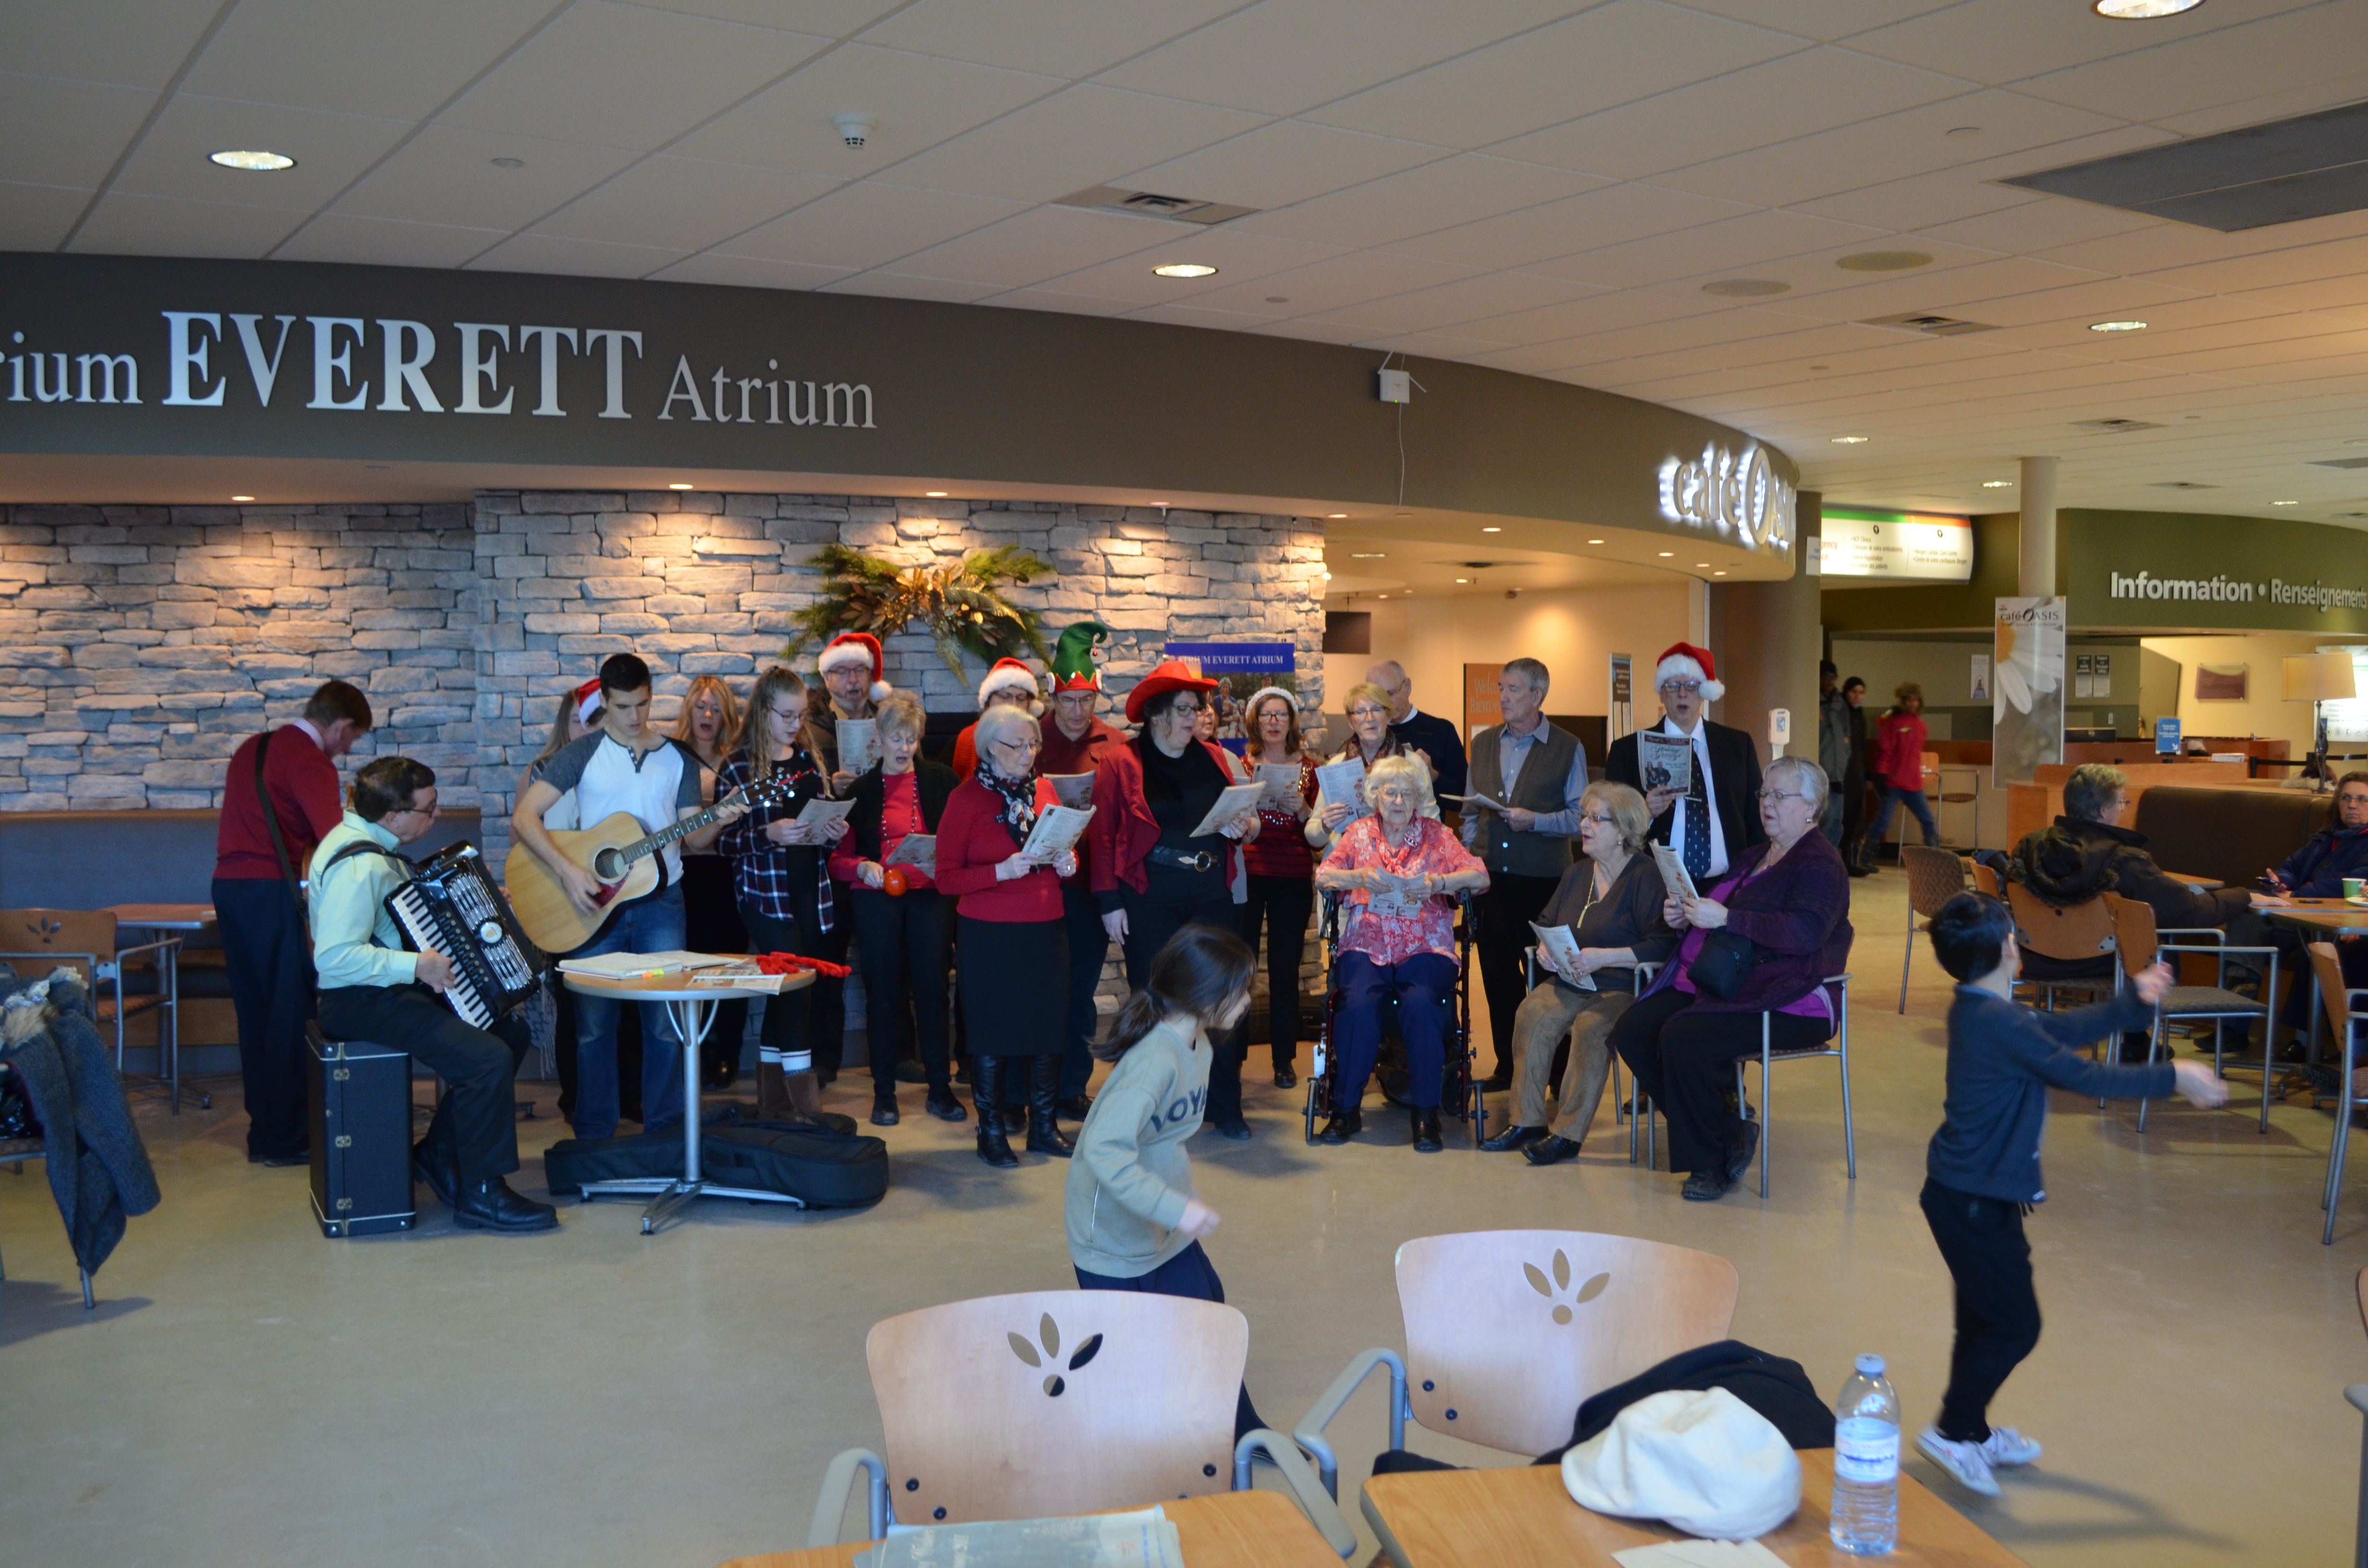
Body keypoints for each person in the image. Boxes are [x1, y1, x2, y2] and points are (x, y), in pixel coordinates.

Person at [1911, 891, 2227, 1496]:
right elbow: (2080, 1073)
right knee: (2014, 1326)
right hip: (1971, 1200)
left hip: (1967, 1194)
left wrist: (2131, 1000)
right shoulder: (1996, 1019)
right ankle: (1951, 1432)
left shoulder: (1981, 1005)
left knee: (1983, 1321)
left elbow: (2058, 1029)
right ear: (2009, 950)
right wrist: (2174, 1076)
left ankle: (1968, 1430)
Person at [310, 757, 556, 1233]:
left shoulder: (376, 848)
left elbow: (409, 915)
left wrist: (480, 902)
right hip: (359, 1001)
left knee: (507, 1031)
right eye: (428, 808)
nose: (436, 815)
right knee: (486, 1059)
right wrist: (417, 966)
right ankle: (482, 1192)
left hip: (383, 991)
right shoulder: (359, 868)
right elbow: (334, 959)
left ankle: (439, 1156)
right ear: (393, 816)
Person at [512, 653, 743, 1143]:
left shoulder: (677, 757)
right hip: (594, 904)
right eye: (621, 707)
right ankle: (595, 1135)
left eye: (641, 705)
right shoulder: (581, 754)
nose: (634, 718)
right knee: (595, 1027)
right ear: (605, 704)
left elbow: (694, 839)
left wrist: (721, 816)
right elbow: (525, 819)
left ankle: (664, 1131)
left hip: (662, 904)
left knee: (664, 1024)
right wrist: (570, 873)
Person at [1610, 755, 1852, 1202]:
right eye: (1765, 793)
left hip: (1791, 997)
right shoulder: (1754, 855)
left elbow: (1804, 934)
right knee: (1633, 1030)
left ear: (1813, 807)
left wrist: (1726, 919)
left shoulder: (1821, 865)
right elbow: (1719, 912)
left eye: (1781, 796)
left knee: (1685, 1037)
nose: (1768, 803)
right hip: (1727, 982)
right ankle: (1729, 1130)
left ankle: (1709, 1164)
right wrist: (1686, 916)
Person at [1065, 921, 1270, 1440]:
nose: (1247, 1000)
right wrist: (1175, 1208)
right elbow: (1103, 1151)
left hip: (1163, 1223)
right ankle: (1059, 1421)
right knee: (1114, 1348)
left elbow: (1161, 1140)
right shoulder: (1153, 1060)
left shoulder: (1197, 1043)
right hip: (1112, 1235)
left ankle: (1241, 1433)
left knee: (1208, 1317)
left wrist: (1177, 1203)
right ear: (1202, 996)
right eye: (1237, 990)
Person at [1089, 659, 1262, 1140]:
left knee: (1223, 997)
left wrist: (1242, 827)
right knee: (1154, 1003)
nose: (1194, 717)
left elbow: (1240, 818)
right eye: (1185, 708)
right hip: (1149, 897)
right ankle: (1149, 1108)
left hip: (1211, 892)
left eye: (1197, 708)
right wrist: (1109, 902)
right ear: (1157, 714)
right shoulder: (1121, 762)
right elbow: (1103, 837)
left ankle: (1224, 1104)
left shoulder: (1212, 757)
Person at [2009, 762, 2275, 1061]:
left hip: (2040, 959)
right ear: (2102, 811)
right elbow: (2187, 912)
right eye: (2122, 802)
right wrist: (2244, 896)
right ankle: (2136, 1040)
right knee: (2154, 941)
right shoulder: (2125, 860)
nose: (2124, 809)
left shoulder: (2028, 849)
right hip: (2106, 964)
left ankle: (2136, 1041)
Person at [212, 679, 373, 1166]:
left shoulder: (252, 749)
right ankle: (290, 1138)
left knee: (256, 1016)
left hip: (230, 888)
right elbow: (334, 839)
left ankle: (265, 1134)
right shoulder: (308, 759)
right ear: (341, 726)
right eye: (352, 739)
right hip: (272, 891)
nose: (347, 751)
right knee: (289, 1014)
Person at [1479, 781, 1675, 1165]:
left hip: (1622, 987)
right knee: (1531, 1012)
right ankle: (1527, 1121)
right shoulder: (1577, 872)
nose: (1584, 825)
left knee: (1590, 1027)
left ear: (1622, 831)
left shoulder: (1645, 876)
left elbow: (1663, 945)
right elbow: (1548, 920)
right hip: (1572, 979)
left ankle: (1568, 1133)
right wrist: (1545, 951)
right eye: (1585, 816)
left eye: (1595, 819)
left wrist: (1606, 957)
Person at [1315, 754, 1492, 1151]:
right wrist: (1358, 877)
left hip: (1425, 945)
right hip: (1367, 942)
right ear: (1375, 796)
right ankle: (1345, 1109)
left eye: (1406, 794)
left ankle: (1426, 1112)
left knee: (1422, 1003)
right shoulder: (1358, 834)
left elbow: (1479, 877)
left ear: (1418, 798)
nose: (1397, 801)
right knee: (1358, 1003)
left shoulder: (1437, 834)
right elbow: (1323, 875)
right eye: (1390, 792)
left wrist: (1438, 883)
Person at [936, 703, 1079, 1166]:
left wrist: (1067, 863)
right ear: (988, 749)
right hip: (990, 933)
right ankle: (991, 1132)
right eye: (1016, 745)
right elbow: (946, 879)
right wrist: (999, 870)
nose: (1027, 753)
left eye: (1033, 743)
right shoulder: (965, 801)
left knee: (1047, 1028)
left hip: (1045, 925)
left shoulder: (1046, 790)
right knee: (992, 1034)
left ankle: (1043, 1128)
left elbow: (1058, 847)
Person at [717, 665, 847, 1121]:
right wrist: (768, 834)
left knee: (791, 989)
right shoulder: (737, 766)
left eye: (802, 716)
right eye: (788, 716)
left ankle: (774, 1105)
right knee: (793, 988)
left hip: (812, 889)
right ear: (764, 712)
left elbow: (822, 830)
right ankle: (803, 1102)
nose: (796, 725)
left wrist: (833, 829)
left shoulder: (809, 760)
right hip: (764, 894)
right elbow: (722, 843)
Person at [830, 695, 963, 1127]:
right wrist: (864, 867)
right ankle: (884, 1093)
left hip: (930, 898)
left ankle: (940, 1089)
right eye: (896, 738)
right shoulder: (862, 791)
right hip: (879, 898)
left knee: (932, 990)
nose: (904, 748)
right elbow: (838, 861)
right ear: (879, 738)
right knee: (883, 994)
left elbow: (961, 841)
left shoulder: (942, 780)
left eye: (911, 739)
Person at [1460, 659, 1585, 1091]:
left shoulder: (1568, 747)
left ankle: (1554, 1075)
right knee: (1497, 977)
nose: (1503, 696)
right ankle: (1508, 1068)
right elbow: (1471, 811)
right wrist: (1469, 860)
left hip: (1546, 885)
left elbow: (1580, 819)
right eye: (1501, 688)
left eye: (1513, 689)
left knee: (1550, 981)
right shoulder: (1483, 743)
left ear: (1538, 696)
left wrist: (1536, 821)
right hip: (1492, 881)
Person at [1038, 622, 1122, 1117]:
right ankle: (1031, 1087)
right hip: (1038, 886)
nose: (1076, 712)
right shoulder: (1028, 738)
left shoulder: (1113, 744)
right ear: (1053, 696)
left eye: (1084, 701)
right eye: (1067, 700)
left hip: (1090, 886)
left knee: (1081, 992)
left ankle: (1071, 1087)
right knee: (1037, 990)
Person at [1605, 641, 1764, 884]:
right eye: (1673, 685)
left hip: (1726, 885)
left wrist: (1753, 876)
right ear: (1661, 692)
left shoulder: (1737, 745)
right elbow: (1609, 823)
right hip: (1655, 885)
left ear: (1704, 693)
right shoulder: (1627, 750)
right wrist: (1645, 811)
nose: (1682, 694)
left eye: (1691, 686)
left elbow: (1756, 817)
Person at [811, 630, 894, 1077]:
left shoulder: (890, 722)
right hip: (831, 863)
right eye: (842, 672)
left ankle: (901, 1055)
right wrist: (831, 789)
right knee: (829, 964)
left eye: (859, 670)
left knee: (890, 962)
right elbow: (795, 791)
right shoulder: (808, 727)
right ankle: (824, 1062)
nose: (852, 681)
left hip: (883, 854)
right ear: (827, 680)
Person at [522, 678, 604, 1121]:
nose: (587, 728)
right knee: (575, 1002)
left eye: (594, 719)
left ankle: (620, 1097)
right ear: (565, 725)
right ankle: (576, 1099)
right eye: (578, 720)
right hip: (559, 895)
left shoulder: (613, 768)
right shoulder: (545, 769)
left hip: (608, 895)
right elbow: (526, 835)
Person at [673, 674, 750, 1090]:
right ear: (689, 709)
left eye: (717, 708)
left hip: (727, 872)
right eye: (702, 706)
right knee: (690, 972)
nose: (708, 715)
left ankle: (728, 1054)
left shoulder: (735, 760)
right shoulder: (672, 757)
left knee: (730, 968)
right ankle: (694, 1055)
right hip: (685, 876)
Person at [1239, 687, 1319, 1090]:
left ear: (1291, 723)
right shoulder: (1241, 764)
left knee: (1285, 970)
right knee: (1242, 967)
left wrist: (1302, 810)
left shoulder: (1309, 769)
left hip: (1291, 875)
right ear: (1256, 722)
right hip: (1250, 873)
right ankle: (1233, 1056)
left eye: (1281, 716)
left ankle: (1283, 1060)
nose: (1274, 722)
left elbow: (1319, 833)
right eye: (1267, 715)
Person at [1308, 681, 1432, 857]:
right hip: (1345, 863)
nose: (1369, 718)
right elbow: (1313, 837)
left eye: (1377, 709)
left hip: (1399, 861)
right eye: (1360, 712)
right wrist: (1325, 826)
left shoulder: (1413, 764)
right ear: (1351, 722)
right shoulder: (1336, 765)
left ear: (1388, 716)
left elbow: (1432, 824)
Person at [1368, 659, 1468, 802]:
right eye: (1377, 697)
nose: (1385, 703)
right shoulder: (1368, 733)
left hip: (1429, 821)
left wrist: (1433, 775)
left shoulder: (1442, 731)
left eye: (1390, 694)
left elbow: (1463, 798)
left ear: (1408, 687)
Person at [1866, 683, 1937, 864]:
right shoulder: (1893, 722)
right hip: (1893, 782)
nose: (1913, 704)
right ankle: (1864, 858)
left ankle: (1937, 861)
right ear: (1903, 701)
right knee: (1883, 823)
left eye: (1916, 700)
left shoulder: (1921, 726)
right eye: (1909, 700)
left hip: (1913, 783)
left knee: (1928, 821)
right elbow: (1885, 750)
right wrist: (1881, 775)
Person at [951, 657, 1042, 781]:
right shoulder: (965, 739)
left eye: (1021, 698)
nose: (1014, 705)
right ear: (989, 701)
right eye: (1006, 697)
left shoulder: (1037, 740)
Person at [1838, 677, 1874, 877]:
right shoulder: (1842, 713)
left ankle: (1851, 861)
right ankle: (1842, 861)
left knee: (1856, 818)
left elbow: (1862, 747)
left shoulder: (1860, 715)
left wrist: (1867, 775)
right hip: (1843, 772)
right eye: (1853, 692)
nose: (1857, 696)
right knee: (1841, 816)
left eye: (1861, 692)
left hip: (1857, 772)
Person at [1817, 662, 1852, 848]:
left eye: (1833, 677)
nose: (1830, 681)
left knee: (1835, 822)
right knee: (1822, 820)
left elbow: (1847, 735)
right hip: (1820, 770)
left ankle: (1827, 861)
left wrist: (1846, 757)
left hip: (1838, 772)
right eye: (1826, 676)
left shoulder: (1840, 703)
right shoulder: (1812, 701)